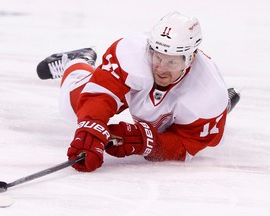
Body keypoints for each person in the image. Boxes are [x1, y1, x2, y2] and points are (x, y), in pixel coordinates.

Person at [36, 11, 240, 172]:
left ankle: (206, 119)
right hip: (135, 88)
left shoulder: (209, 94)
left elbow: (186, 145)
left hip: (197, 106)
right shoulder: (131, 52)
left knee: (158, 126)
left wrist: (144, 141)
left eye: (171, 61)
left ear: (190, 59)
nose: (160, 67)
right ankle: (78, 60)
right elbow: (100, 94)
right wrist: (91, 126)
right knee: (72, 109)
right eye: (156, 55)